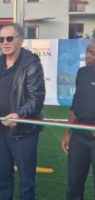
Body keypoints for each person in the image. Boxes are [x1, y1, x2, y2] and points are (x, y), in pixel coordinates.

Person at [0, 23, 45, 200]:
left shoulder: (31, 63)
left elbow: (37, 98)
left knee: (26, 181)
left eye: (9, 38)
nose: (4, 42)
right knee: (3, 177)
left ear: (20, 40)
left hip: (23, 132)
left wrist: (19, 115)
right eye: (1, 39)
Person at [61, 40, 95, 199]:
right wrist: (68, 133)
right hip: (79, 137)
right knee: (74, 183)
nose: (87, 56)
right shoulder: (82, 72)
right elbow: (76, 103)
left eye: (92, 53)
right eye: (87, 51)